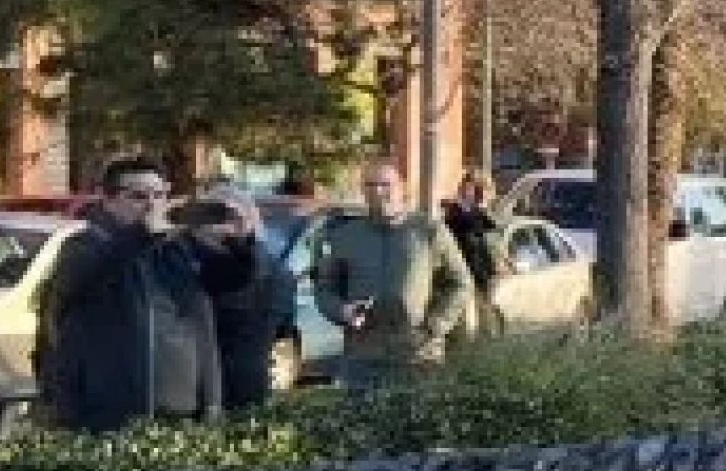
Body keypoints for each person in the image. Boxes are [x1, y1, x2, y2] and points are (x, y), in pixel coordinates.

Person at [33, 157, 259, 436]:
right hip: (108, 419)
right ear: (108, 200)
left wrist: (241, 242)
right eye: (139, 197)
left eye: (160, 195)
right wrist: (141, 235)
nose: (152, 205)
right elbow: (81, 277)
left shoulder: (176, 249)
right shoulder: (83, 246)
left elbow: (232, 282)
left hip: (182, 417)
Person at [311, 160, 476, 392]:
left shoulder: (429, 231)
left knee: (415, 426)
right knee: (360, 425)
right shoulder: (344, 236)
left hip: (418, 357)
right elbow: (324, 289)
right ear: (363, 190)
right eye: (370, 185)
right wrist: (341, 311)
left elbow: (461, 283)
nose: (378, 191)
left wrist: (434, 326)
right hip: (362, 358)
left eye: (385, 184)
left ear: (402, 188)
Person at [177, 190, 291, 411]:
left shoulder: (226, 269)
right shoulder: (281, 271)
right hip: (254, 387)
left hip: (209, 390)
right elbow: (283, 328)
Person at [439, 171, 507, 338]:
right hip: (465, 270)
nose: (476, 193)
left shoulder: (478, 211)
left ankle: (483, 341)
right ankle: (468, 343)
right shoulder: (454, 212)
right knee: (467, 315)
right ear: (463, 187)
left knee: (485, 310)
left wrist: (485, 206)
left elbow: (494, 230)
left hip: (483, 270)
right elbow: (465, 231)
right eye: (474, 188)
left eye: (479, 189)